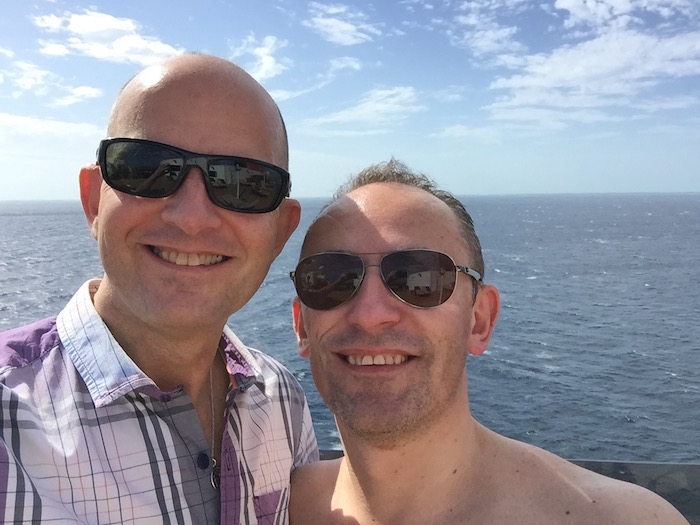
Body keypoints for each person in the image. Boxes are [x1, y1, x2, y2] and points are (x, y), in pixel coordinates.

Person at [0, 53, 318, 524]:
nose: (190, 217)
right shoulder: (10, 426)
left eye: (241, 182)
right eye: (146, 168)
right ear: (93, 200)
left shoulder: (281, 401)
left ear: (279, 233)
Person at [287, 160, 689, 524]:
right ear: (302, 325)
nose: (371, 313)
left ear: (480, 320)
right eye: (329, 279)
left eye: (419, 277)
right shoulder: (270, 508)